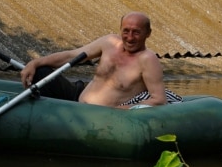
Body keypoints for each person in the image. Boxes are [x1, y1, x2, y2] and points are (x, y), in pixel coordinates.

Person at [19, 12, 179, 108]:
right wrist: (35, 62)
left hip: (102, 116)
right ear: (120, 30)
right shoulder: (109, 42)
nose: (130, 38)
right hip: (77, 97)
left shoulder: (148, 60)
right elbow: (71, 56)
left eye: (136, 32)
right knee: (41, 72)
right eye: (126, 31)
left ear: (148, 34)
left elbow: (158, 99)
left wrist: (124, 109)